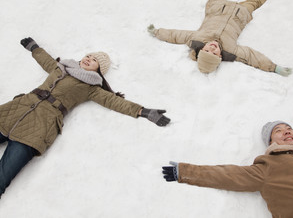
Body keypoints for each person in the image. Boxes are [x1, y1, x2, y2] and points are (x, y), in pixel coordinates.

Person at [0, 37, 171, 198]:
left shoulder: (91, 87)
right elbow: (46, 60)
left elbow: (113, 101)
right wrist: (34, 48)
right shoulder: (60, 66)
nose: (88, 59)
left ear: (98, 70)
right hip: (14, 111)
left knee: (3, 175)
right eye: (88, 55)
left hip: (38, 129)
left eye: (94, 60)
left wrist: (144, 111)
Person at [162, 121, 293, 217]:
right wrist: (185, 172)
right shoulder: (267, 167)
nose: (286, 131)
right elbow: (227, 175)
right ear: (271, 142)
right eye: (278, 130)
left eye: (289, 128)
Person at [148, 0, 292, 76]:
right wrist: (275, 68)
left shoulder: (196, 39)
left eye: (207, 50)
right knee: (257, 1)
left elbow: (175, 35)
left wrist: (156, 32)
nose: (212, 47)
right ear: (220, 56)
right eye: (214, 52)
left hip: (217, 8)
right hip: (240, 13)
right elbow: (252, 57)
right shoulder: (232, 50)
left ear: (201, 49)